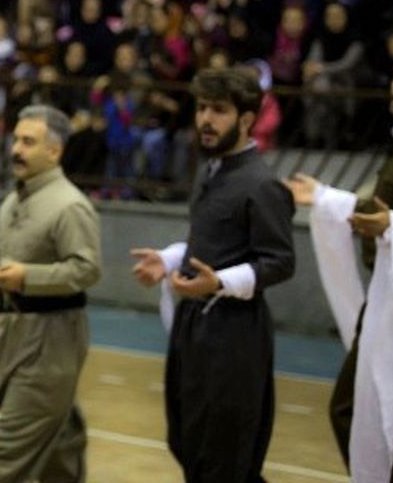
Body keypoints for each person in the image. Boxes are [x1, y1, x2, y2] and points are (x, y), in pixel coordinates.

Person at [131, 67, 295, 482]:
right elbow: (212, 241)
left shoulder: (262, 185)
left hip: (235, 334)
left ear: (246, 119)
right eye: (202, 108)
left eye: (218, 110)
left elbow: (280, 261)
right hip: (195, 325)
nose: (205, 119)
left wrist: (220, 282)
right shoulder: (210, 171)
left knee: (225, 455)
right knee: (188, 441)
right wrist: (170, 259)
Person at [0, 105, 101, 482]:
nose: (16, 149)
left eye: (28, 142)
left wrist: (29, 277)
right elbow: (1, 258)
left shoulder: (69, 206)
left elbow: (87, 269)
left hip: (50, 340)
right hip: (15, 334)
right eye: (16, 140)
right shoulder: (16, 200)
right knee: (60, 453)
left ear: (54, 151)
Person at [285, 49, 393, 480]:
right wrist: (326, 198)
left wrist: (392, 225)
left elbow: (389, 217)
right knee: (357, 409)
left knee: (369, 412)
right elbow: (382, 209)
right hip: (387, 300)